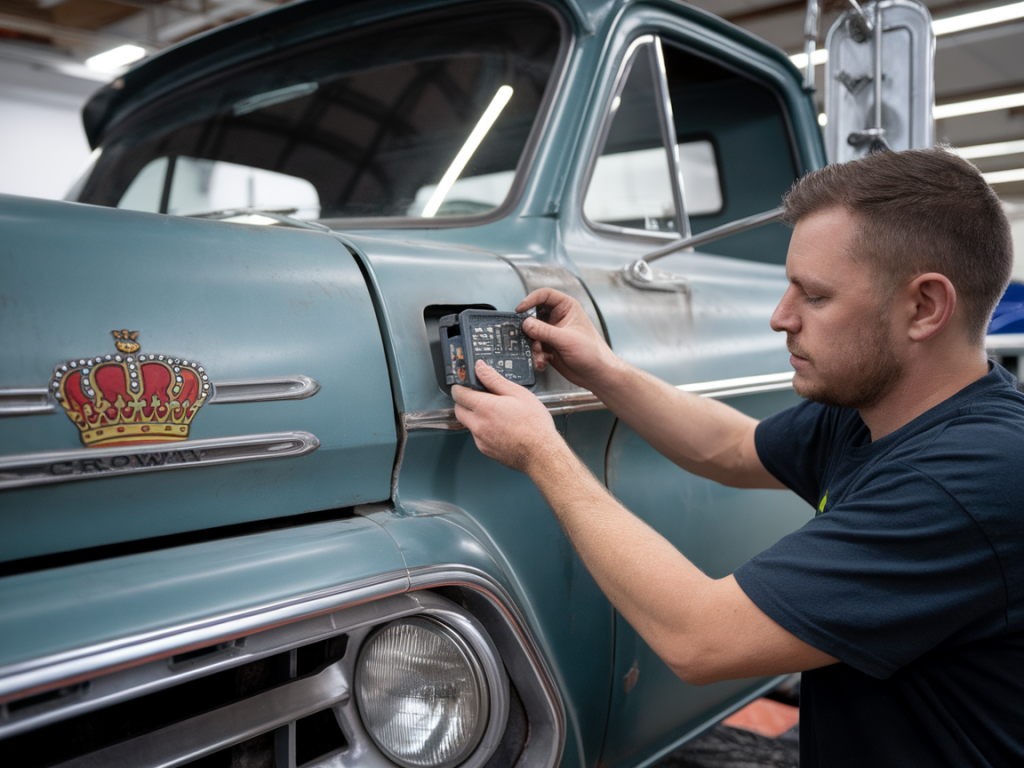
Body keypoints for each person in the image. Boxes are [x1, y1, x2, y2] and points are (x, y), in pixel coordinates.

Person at [451, 147, 1023, 767]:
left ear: (925, 307)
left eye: (816, 296)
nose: (781, 318)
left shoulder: (970, 477)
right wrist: (605, 372)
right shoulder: (879, 410)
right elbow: (729, 447)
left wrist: (542, 452)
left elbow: (701, 639)